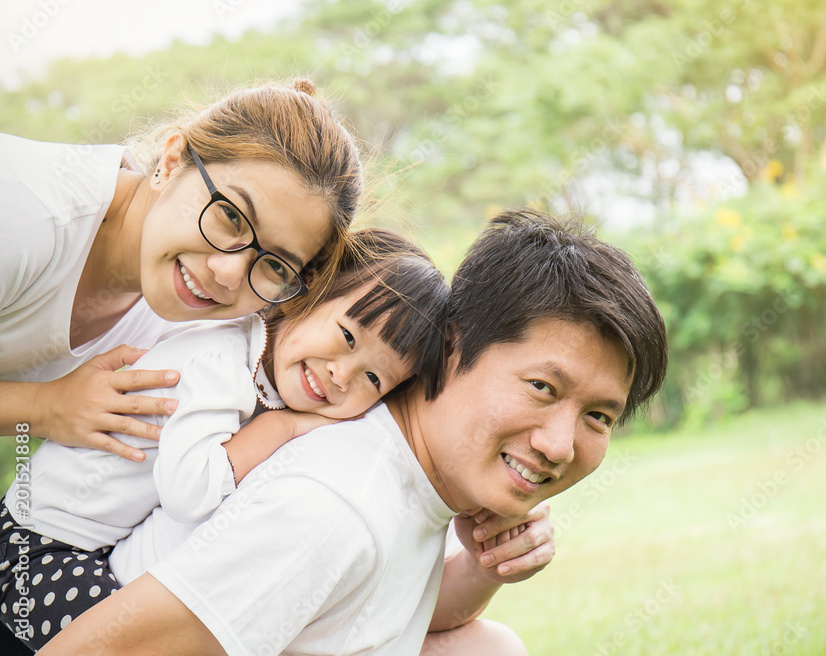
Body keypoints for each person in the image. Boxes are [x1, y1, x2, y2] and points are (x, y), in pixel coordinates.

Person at [39, 209, 670, 656]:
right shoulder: (333, 502)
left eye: (598, 417)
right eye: (542, 388)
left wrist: (481, 568)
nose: (560, 445)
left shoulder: (413, 477)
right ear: (451, 349)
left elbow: (396, 606)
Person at [0, 228, 449, 650]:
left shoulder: (268, 370)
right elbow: (191, 491)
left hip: (81, 548)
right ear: (306, 291)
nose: (340, 373)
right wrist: (281, 428)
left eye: (373, 377)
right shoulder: (219, 364)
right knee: (145, 637)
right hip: (33, 552)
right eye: (347, 336)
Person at [0, 78, 362, 462]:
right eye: (230, 215)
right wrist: (45, 407)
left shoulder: (190, 325)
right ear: (171, 163)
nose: (228, 274)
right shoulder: (27, 211)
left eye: (275, 265)